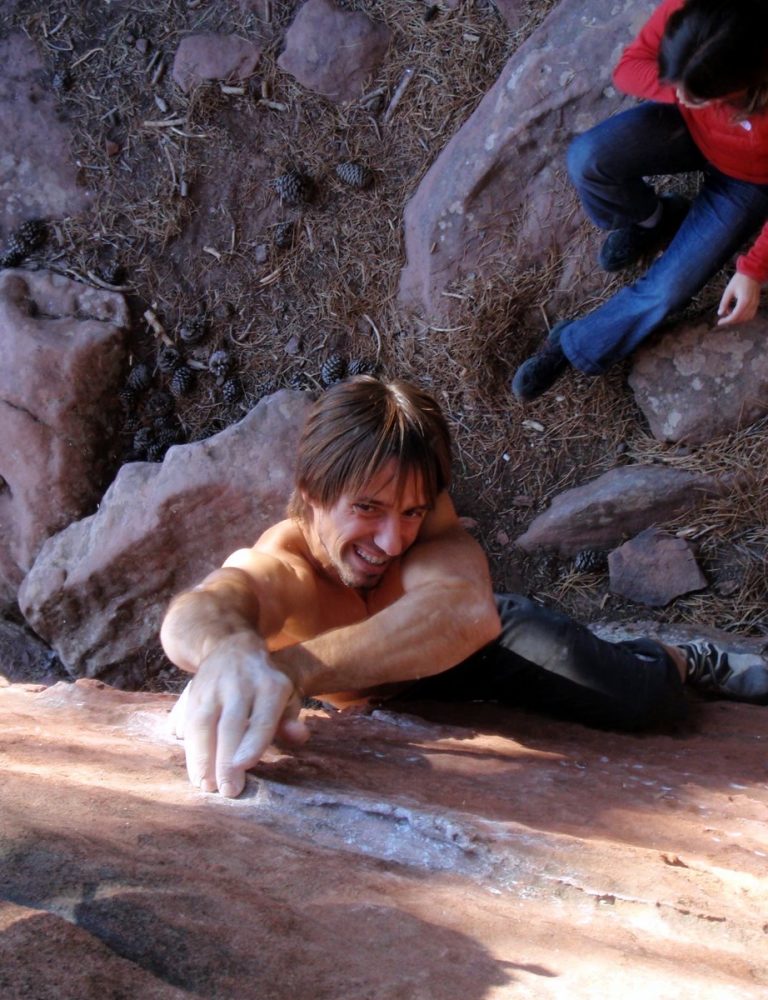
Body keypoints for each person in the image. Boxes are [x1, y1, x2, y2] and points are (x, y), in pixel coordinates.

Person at [160, 376, 768, 797]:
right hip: (388, 700)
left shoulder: (429, 520)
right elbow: (206, 607)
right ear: (313, 491)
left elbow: (464, 615)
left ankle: (687, 657)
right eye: (367, 508)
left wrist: (290, 669)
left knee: (639, 698)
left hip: (477, 647)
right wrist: (228, 654)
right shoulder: (285, 566)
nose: (394, 541)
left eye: (412, 513)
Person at [512, 0, 768, 402]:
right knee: (588, 159)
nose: (680, 90)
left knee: (668, 289)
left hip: (749, 181)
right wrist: (685, 97)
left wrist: (753, 269)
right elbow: (629, 67)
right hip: (687, 129)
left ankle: (575, 343)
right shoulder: (698, 18)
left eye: (701, 92)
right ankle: (655, 220)